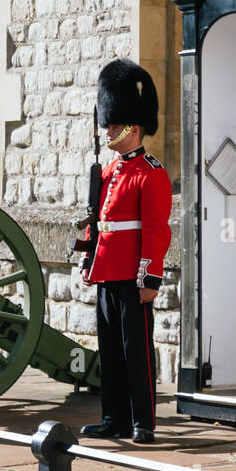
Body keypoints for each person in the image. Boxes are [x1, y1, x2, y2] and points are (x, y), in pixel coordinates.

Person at [78, 58, 172, 444]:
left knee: (137, 351)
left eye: (114, 125)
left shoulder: (151, 172)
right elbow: (96, 221)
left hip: (132, 273)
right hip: (107, 269)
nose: (109, 130)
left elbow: (154, 230)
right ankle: (113, 417)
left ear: (132, 127)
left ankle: (143, 422)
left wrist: (149, 277)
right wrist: (88, 258)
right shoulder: (107, 172)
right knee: (110, 350)